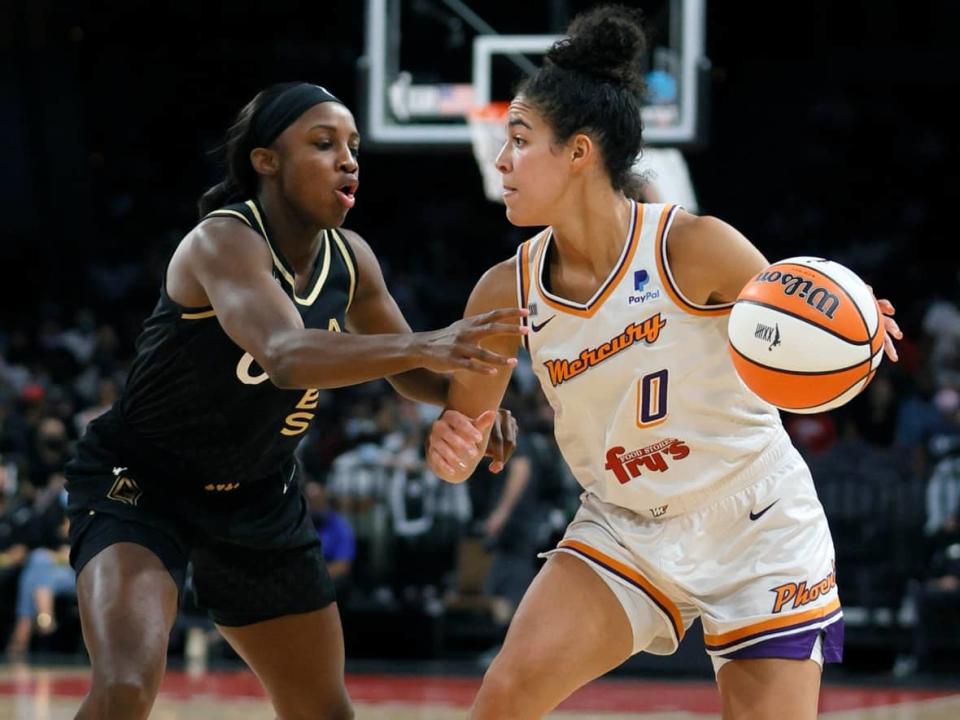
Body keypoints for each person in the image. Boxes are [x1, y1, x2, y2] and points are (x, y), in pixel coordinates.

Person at [425, 7, 903, 720]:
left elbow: (795, 318)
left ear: (579, 152)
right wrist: (453, 451)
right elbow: (463, 439)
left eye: (520, 142)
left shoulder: (694, 248)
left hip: (756, 520)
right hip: (625, 524)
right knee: (504, 700)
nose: (500, 162)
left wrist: (850, 326)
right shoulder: (505, 289)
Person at [64, 81, 526, 720]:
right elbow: (285, 356)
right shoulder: (223, 241)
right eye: (324, 143)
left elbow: (412, 371)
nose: (348, 159)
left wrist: (475, 405)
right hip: (144, 485)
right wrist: (429, 344)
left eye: (354, 147)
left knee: (323, 711)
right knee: (122, 691)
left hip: (259, 494)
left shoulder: (352, 260)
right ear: (266, 160)